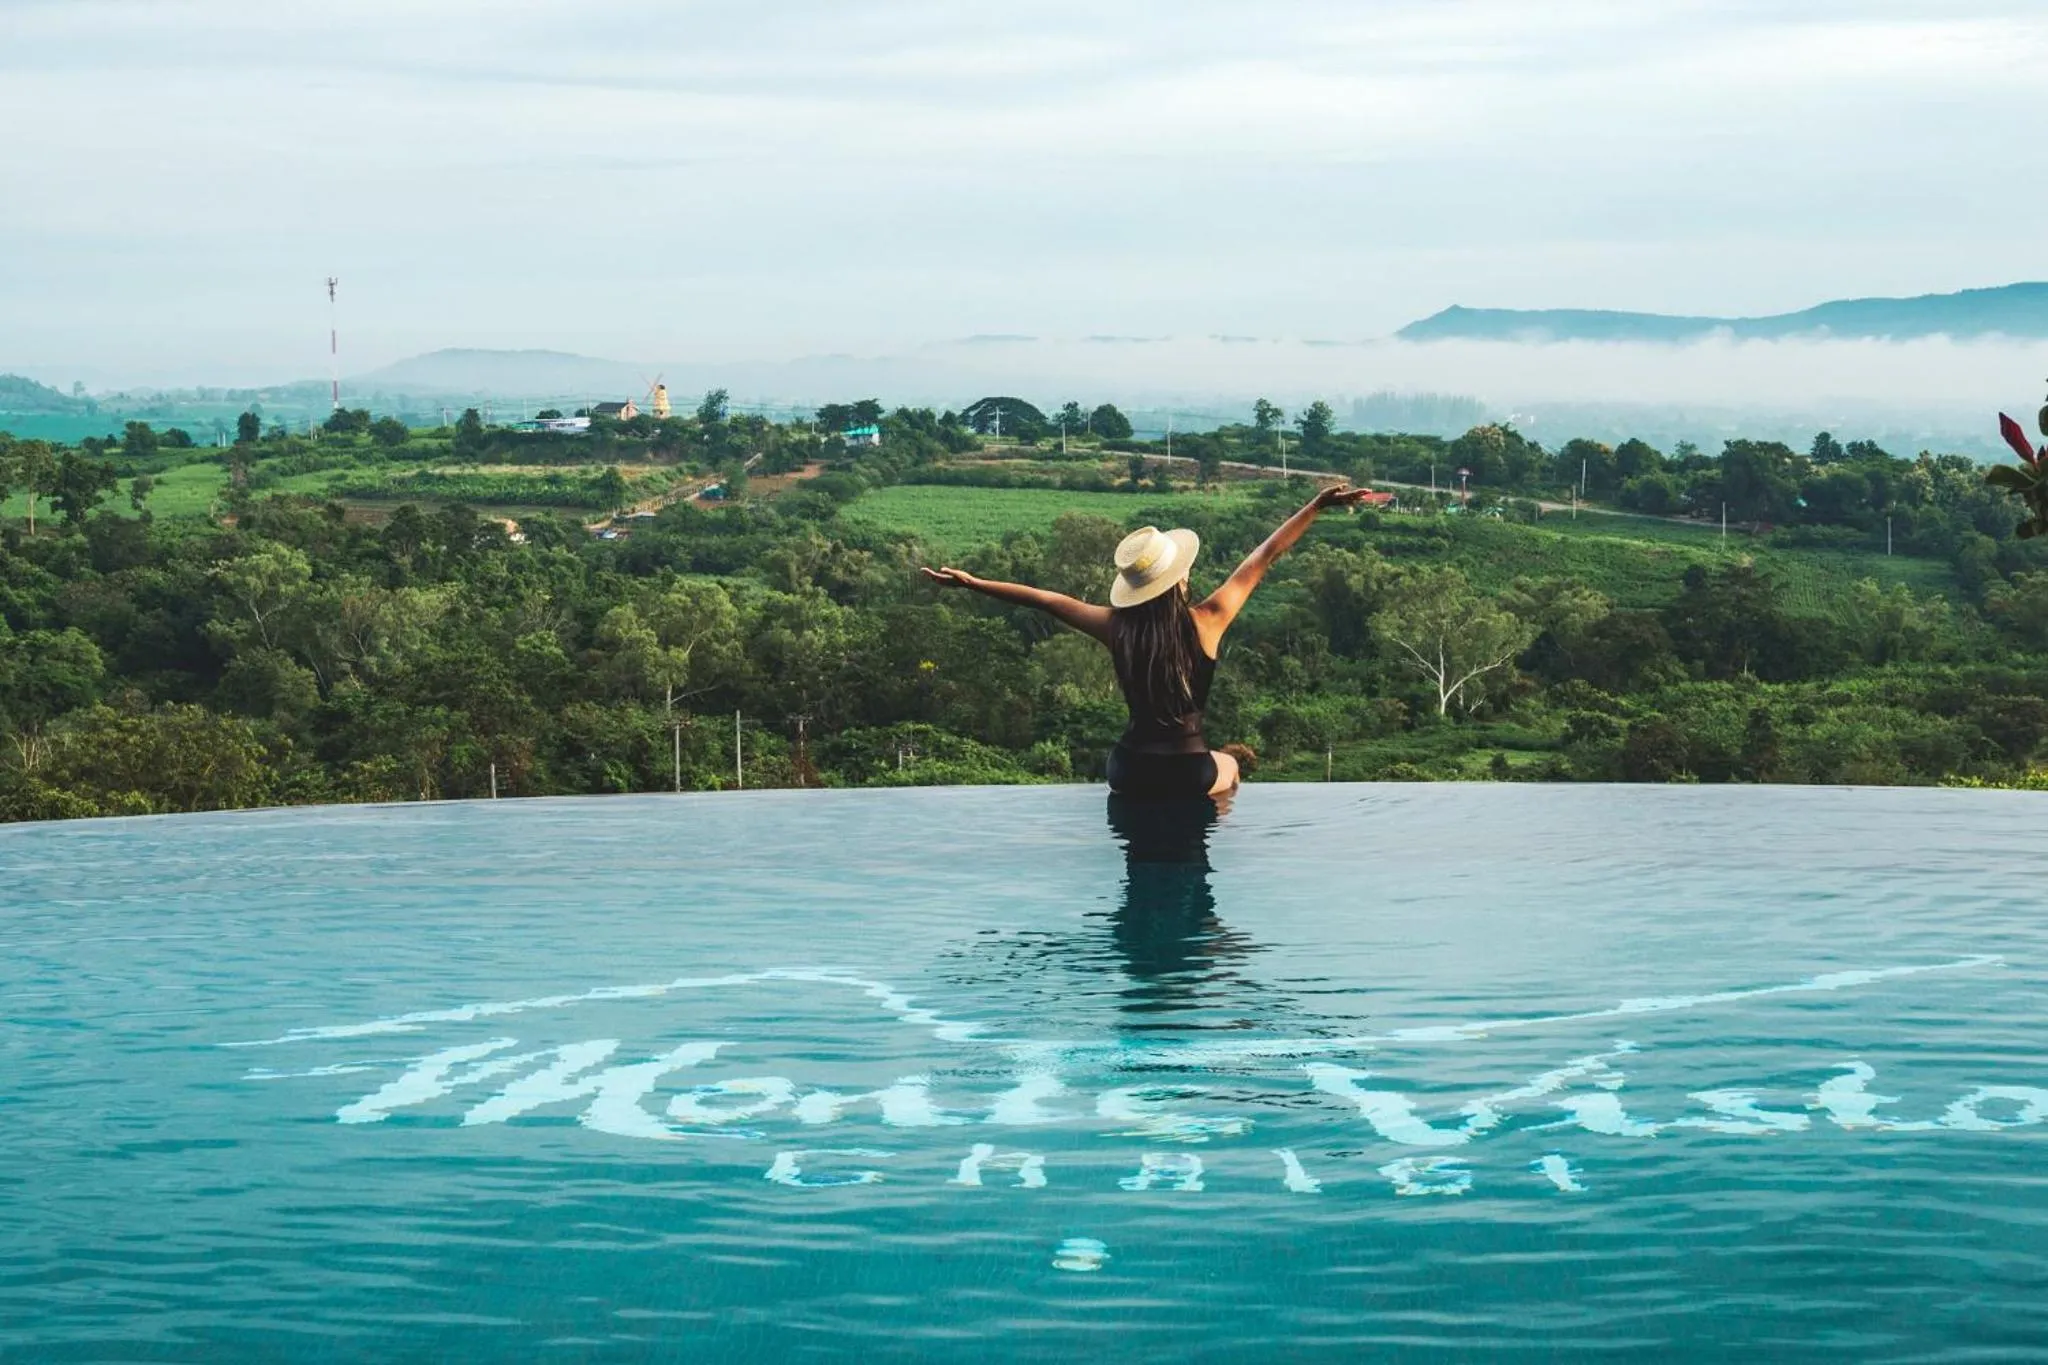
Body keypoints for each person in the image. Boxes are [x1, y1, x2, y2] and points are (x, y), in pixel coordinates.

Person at [921, 483, 1376, 799]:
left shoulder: (1115, 626)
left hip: (1129, 771)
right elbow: (1264, 556)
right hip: (1186, 773)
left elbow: (1044, 599)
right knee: (1232, 766)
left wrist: (973, 582)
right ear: (1179, 581)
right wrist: (1316, 505)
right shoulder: (1209, 620)